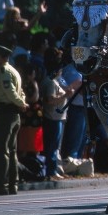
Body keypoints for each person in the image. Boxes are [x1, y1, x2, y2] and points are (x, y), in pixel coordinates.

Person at [0, 41, 27, 196]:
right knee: (11, 150)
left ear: (1, 57)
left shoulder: (3, 70)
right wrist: (22, 102)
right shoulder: (14, 71)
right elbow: (21, 90)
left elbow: (10, 91)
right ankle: (13, 184)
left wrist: (20, 103)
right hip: (13, 114)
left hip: (4, 113)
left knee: (1, 151)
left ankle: (1, 185)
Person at [41, 47, 78, 180]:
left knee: (56, 145)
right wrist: (65, 96)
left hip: (59, 117)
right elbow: (50, 100)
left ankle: (55, 168)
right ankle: (50, 170)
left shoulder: (57, 80)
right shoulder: (50, 82)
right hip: (53, 117)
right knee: (52, 145)